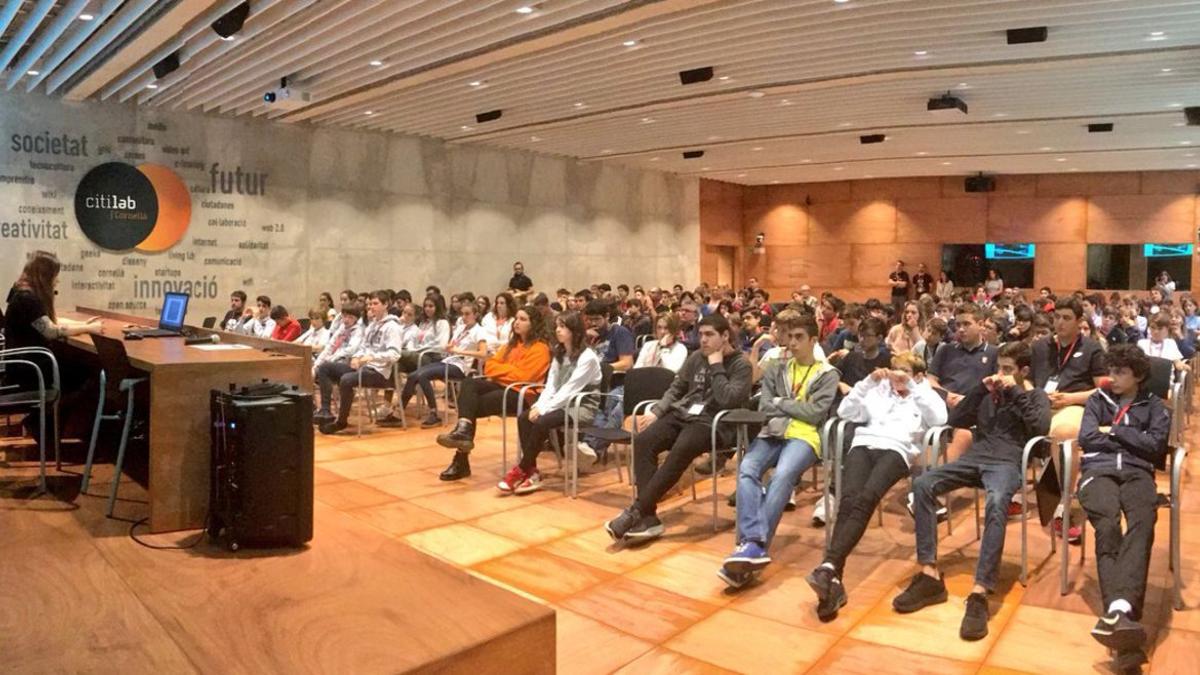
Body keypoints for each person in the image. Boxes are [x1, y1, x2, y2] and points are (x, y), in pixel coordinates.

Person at [893, 341, 1050, 641]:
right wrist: (981, 389)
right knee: (924, 484)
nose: (1000, 375)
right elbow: (956, 419)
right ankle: (928, 574)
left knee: (997, 500)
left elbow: (1041, 429)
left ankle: (980, 591)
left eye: (1007, 370)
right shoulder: (990, 396)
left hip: (1006, 463)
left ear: (1023, 371)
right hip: (977, 458)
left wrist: (1015, 392)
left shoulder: (1034, 395)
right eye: (998, 368)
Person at [807, 352, 948, 619]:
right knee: (848, 498)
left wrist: (914, 386)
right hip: (864, 444)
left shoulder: (924, 391)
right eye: (895, 369)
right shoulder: (878, 388)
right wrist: (868, 383)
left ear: (917, 374)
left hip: (897, 450)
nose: (896, 375)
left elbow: (939, 419)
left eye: (904, 370)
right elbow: (845, 411)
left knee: (867, 497)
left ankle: (830, 567)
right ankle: (832, 574)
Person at [604, 313, 753, 543]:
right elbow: (676, 388)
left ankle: (636, 510)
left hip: (715, 422)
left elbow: (728, 399)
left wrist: (716, 367)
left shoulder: (741, 364)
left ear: (725, 336)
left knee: (681, 449)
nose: (703, 340)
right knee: (644, 440)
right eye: (700, 334)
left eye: (710, 335)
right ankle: (649, 516)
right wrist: (656, 412)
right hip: (684, 414)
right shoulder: (695, 358)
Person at [718, 314, 839, 588]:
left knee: (782, 476)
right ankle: (754, 544)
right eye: (790, 337)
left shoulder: (827, 374)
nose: (792, 343)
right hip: (772, 431)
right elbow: (765, 407)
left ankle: (751, 546)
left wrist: (781, 402)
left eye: (799, 338)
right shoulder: (776, 368)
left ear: (813, 340)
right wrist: (789, 405)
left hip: (805, 438)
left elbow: (815, 413)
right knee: (747, 468)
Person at [1076, 344, 1171, 673]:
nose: (1111, 378)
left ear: (1139, 376)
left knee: (1143, 521)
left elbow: (1156, 446)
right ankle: (1124, 615)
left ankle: (1116, 612)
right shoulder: (1096, 400)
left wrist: (1114, 430)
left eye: (1120, 372)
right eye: (1109, 371)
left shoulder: (1157, 407)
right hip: (1097, 472)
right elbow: (1087, 438)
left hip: (1137, 473)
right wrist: (1133, 437)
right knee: (1107, 524)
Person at [437, 306, 553, 481]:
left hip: (521, 395)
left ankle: (461, 457)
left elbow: (524, 376)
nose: (517, 323)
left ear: (534, 324)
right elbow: (489, 366)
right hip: (502, 387)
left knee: (470, 407)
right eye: (517, 318)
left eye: (523, 319)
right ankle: (464, 429)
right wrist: (509, 370)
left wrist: (503, 370)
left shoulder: (541, 348)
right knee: (469, 384)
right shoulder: (511, 345)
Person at [3, 251, 103, 444]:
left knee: (80, 367)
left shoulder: (20, 292)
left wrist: (78, 325)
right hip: (30, 371)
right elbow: (50, 331)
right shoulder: (28, 299)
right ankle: (42, 423)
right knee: (93, 373)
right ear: (45, 276)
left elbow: (45, 323)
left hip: (23, 366)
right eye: (54, 276)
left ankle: (45, 423)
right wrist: (88, 328)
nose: (56, 281)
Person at [498, 313, 603, 494]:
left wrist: (544, 409)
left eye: (563, 327)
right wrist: (539, 406)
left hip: (581, 406)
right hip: (560, 403)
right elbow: (551, 386)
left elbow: (570, 389)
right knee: (524, 418)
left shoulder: (588, 357)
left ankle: (521, 469)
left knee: (542, 421)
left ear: (575, 331)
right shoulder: (559, 352)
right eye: (557, 326)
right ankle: (532, 472)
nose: (558, 330)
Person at [315, 291, 405, 435]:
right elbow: (362, 347)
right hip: (363, 367)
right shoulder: (372, 325)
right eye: (370, 304)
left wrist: (371, 357)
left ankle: (341, 421)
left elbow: (394, 354)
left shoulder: (393, 327)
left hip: (379, 372)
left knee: (346, 379)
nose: (371, 307)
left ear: (386, 305)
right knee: (325, 368)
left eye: (375, 304)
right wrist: (357, 357)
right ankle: (325, 410)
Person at [399, 302, 488, 428]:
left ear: (476, 315)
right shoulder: (461, 328)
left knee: (423, 375)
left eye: (467, 314)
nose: (464, 317)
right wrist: (449, 347)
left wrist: (459, 351)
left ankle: (434, 413)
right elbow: (452, 345)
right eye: (462, 314)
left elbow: (483, 353)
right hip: (448, 361)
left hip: (461, 367)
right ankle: (399, 411)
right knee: (414, 375)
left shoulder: (479, 331)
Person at [577, 300, 636, 460]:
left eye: (597, 319)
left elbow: (626, 363)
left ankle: (591, 446)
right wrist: (585, 341)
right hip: (594, 383)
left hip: (618, 382)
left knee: (611, 405)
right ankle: (587, 446)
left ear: (607, 316)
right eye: (589, 319)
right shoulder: (589, 336)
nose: (592, 323)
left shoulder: (620, 332)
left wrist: (602, 369)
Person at [311, 305, 364, 380]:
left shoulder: (358, 331)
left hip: (347, 363)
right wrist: (316, 364)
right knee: (312, 370)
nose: (346, 320)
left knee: (324, 368)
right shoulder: (341, 328)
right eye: (344, 316)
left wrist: (331, 358)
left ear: (356, 319)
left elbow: (350, 350)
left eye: (350, 317)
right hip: (332, 360)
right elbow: (330, 347)